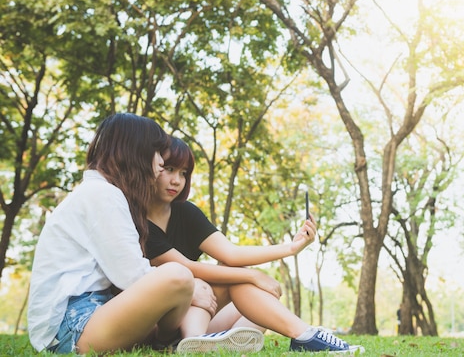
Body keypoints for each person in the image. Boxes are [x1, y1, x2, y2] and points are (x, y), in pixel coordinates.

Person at [146, 137, 365, 354]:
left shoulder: (186, 212)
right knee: (203, 283)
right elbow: (187, 268)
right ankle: (306, 336)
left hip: (192, 317)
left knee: (258, 303)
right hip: (156, 324)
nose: (177, 180)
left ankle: (208, 344)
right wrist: (252, 276)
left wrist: (291, 248)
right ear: (151, 167)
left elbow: (231, 253)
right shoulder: (137, 222)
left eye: (183, 173)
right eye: (170, 169)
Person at [27, 113, 196, 354]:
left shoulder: (104, 193)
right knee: (179, 276)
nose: (160, 162)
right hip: (72, 327)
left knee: (210, 286)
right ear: (135, 150)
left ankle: (203, 336)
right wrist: (190, 290)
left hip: (96, 312)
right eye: (157, 151)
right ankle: (167, 342)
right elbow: (133, 276)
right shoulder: (101, 194)